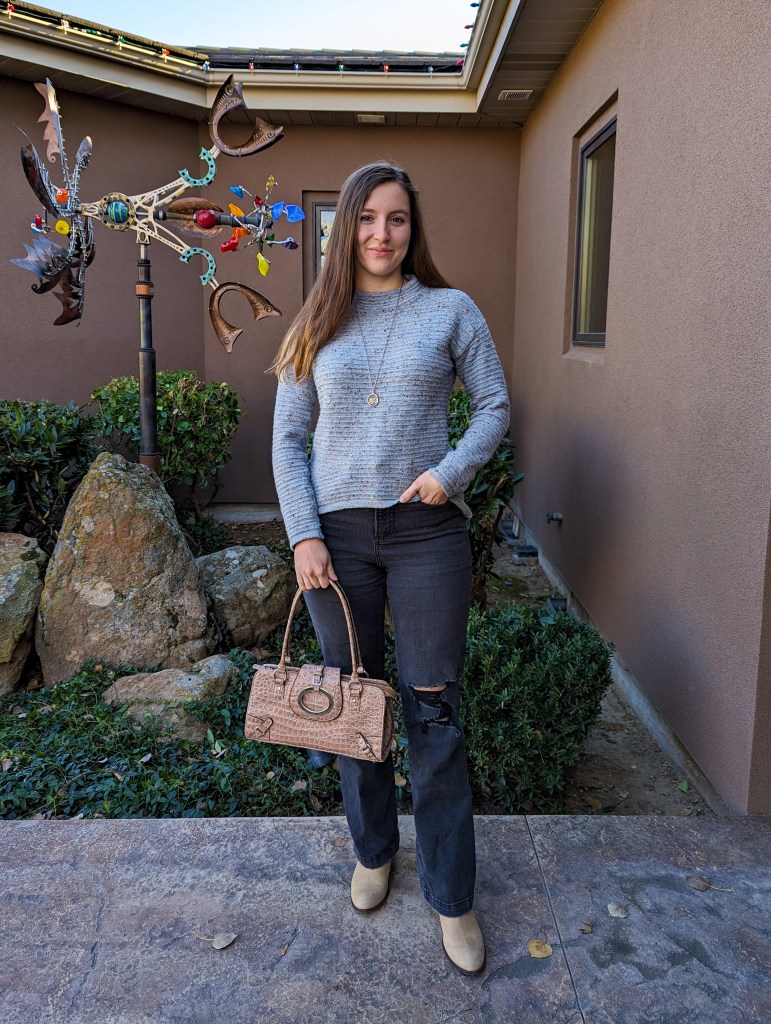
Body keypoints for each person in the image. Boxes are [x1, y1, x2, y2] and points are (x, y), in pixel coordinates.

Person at [270, 161, 510, 976]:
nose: (381, 233)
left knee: (433, 711)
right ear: (347, 226)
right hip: (337, 542)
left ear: (414, 227)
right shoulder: (317, 318)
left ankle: (451, 895)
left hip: (426, 533)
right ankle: (373, 854)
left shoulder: (449, 310)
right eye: (367, 218)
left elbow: (495, 406)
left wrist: (449, 473)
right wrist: (304, 536)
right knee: (354, 703)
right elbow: (288, 439)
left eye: (397, 219)